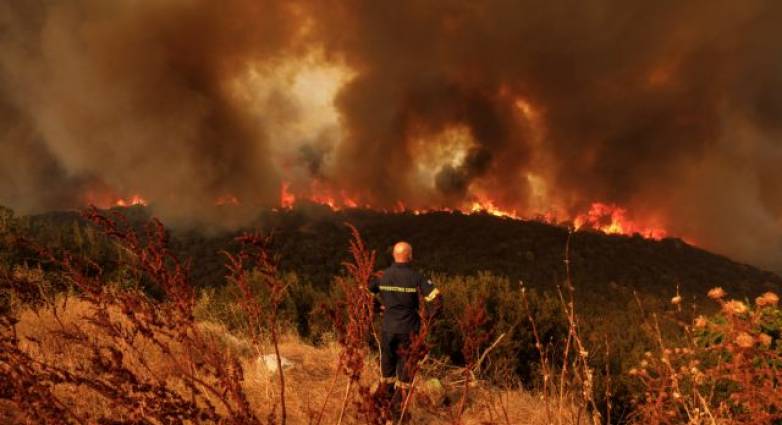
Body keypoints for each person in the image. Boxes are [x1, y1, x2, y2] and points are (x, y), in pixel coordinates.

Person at [369, 241, 442, 417]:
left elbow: (366, 292)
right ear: (410, 256)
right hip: (408, 331)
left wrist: (377, 308)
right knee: (405, 371)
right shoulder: (416, 277)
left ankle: (381, 409)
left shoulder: (383, 277)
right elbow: (437, 299)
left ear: (394, 256)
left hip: (387, 330)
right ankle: (398, 413)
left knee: (387, 371)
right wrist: (429, 320)